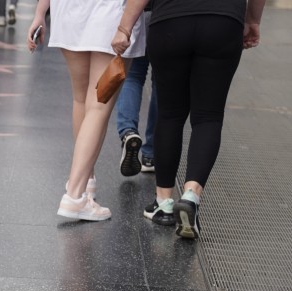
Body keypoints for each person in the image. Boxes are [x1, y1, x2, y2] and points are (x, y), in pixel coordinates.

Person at [113, 0, 267, 238]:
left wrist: (124, 28)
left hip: (170, 22)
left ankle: (163, 203)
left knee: (169, 113)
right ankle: (191, 195)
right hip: (223, 21)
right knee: (208, 116)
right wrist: (252, 20)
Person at [28, 1, 146, 221]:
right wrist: (125, 27)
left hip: (69, 14)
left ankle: (86, 182)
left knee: (81, 100)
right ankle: (75, 194)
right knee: (98, 106)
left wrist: (40, 13)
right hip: (111, 17)